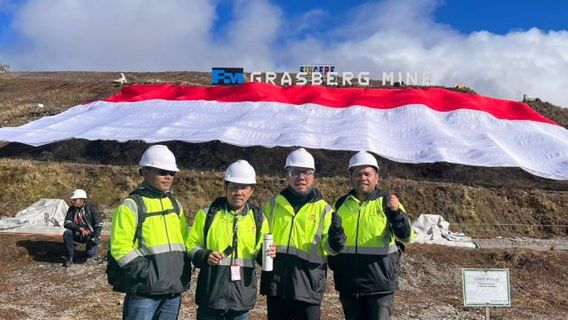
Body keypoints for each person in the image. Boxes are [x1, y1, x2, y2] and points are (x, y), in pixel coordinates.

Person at [107, 145, 191, 320]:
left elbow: (185, 241)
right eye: (162, 171)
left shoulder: (175, 205)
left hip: (173, 290)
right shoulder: (131, 206)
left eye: (172, 173)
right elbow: (119, 247)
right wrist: (146, 274)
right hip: (145, 291)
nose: (168, 176)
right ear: (144, 172)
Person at [260, 148, 346, 320]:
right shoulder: (272, 206)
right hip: (277, 286)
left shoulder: (325, 210)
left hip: (308, 287)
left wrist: (337, 238)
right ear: (287, 175)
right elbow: (260, 241)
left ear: (313, 176)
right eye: (295, 172)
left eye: (306, 172)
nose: (301, 177)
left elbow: (330, 249)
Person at [329, 151, 414, 320]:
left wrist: (396, 213)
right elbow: (330, 242)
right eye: (358, 174)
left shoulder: (387, 202)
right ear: (351, 177)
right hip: (349, 285)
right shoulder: (340, 205)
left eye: (368, 174)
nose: (363, 178)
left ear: (377, 177)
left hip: (380, 286)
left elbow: (407, 236)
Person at [188, 160, 276, 320]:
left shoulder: (259, 218)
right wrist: (205, 255)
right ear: (226, 187)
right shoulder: (207, 214)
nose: (238, 192)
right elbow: (191, 245)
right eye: (234, 186)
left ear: (252, 191)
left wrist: (266, 253)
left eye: (244, 187)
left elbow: (259, 253)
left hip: (240, 298)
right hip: (211, 295)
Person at [62, 188, 102, 267]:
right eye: (73, 200)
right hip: (78, 234)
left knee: (89, 254)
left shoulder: (92, 209)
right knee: (67, 233)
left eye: (75, 200)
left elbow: (98, 225)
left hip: (90, 236)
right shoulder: (71, 209)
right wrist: (80, 228)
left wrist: (94, 237)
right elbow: (66, 223)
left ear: (82, 200)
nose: (73, 201)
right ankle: (70, 257)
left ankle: (91, 249)